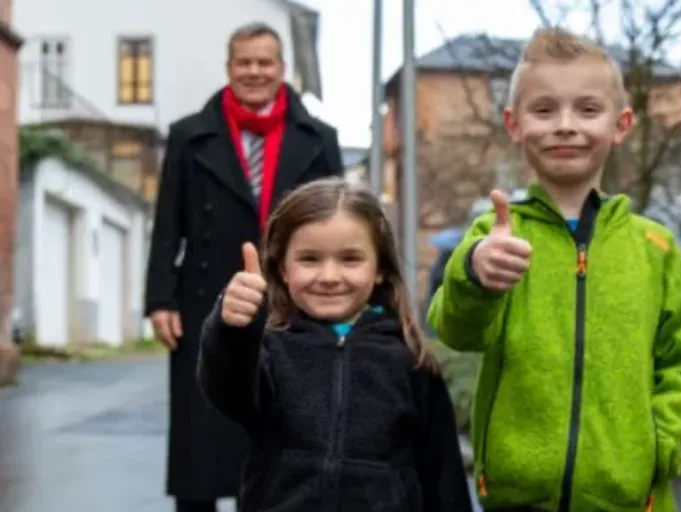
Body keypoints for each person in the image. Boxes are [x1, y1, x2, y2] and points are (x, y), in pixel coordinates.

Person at [428, 28, 681, 512]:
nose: (565, 125)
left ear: (621, 124)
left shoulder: (654, 248)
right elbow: (455, 330)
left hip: (631, 500)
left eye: (587, 109)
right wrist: (474, 274)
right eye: (544, 110)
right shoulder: (495, 234)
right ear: (514, 123)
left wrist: (659, 446)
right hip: (517, 499)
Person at [144, 22, 344, 512]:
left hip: (292, 302)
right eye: (244, 62)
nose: (254, 71)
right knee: (200, 440)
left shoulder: (319, 137)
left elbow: (341, 224)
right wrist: (160, 298)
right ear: (229, 67)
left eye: (265, 62)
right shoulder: (189, 135)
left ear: (282, 68)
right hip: (204, 300)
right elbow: (168, 222)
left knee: (283, 431)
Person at [197, 177, 473, 512]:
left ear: (380, 269)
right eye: (310, 259)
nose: (329, 276)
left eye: (350, 259)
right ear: (283, 268)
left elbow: (443, 475)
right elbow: (227, 388)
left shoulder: (409, 360)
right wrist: (233, 327)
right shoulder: (269, 351)